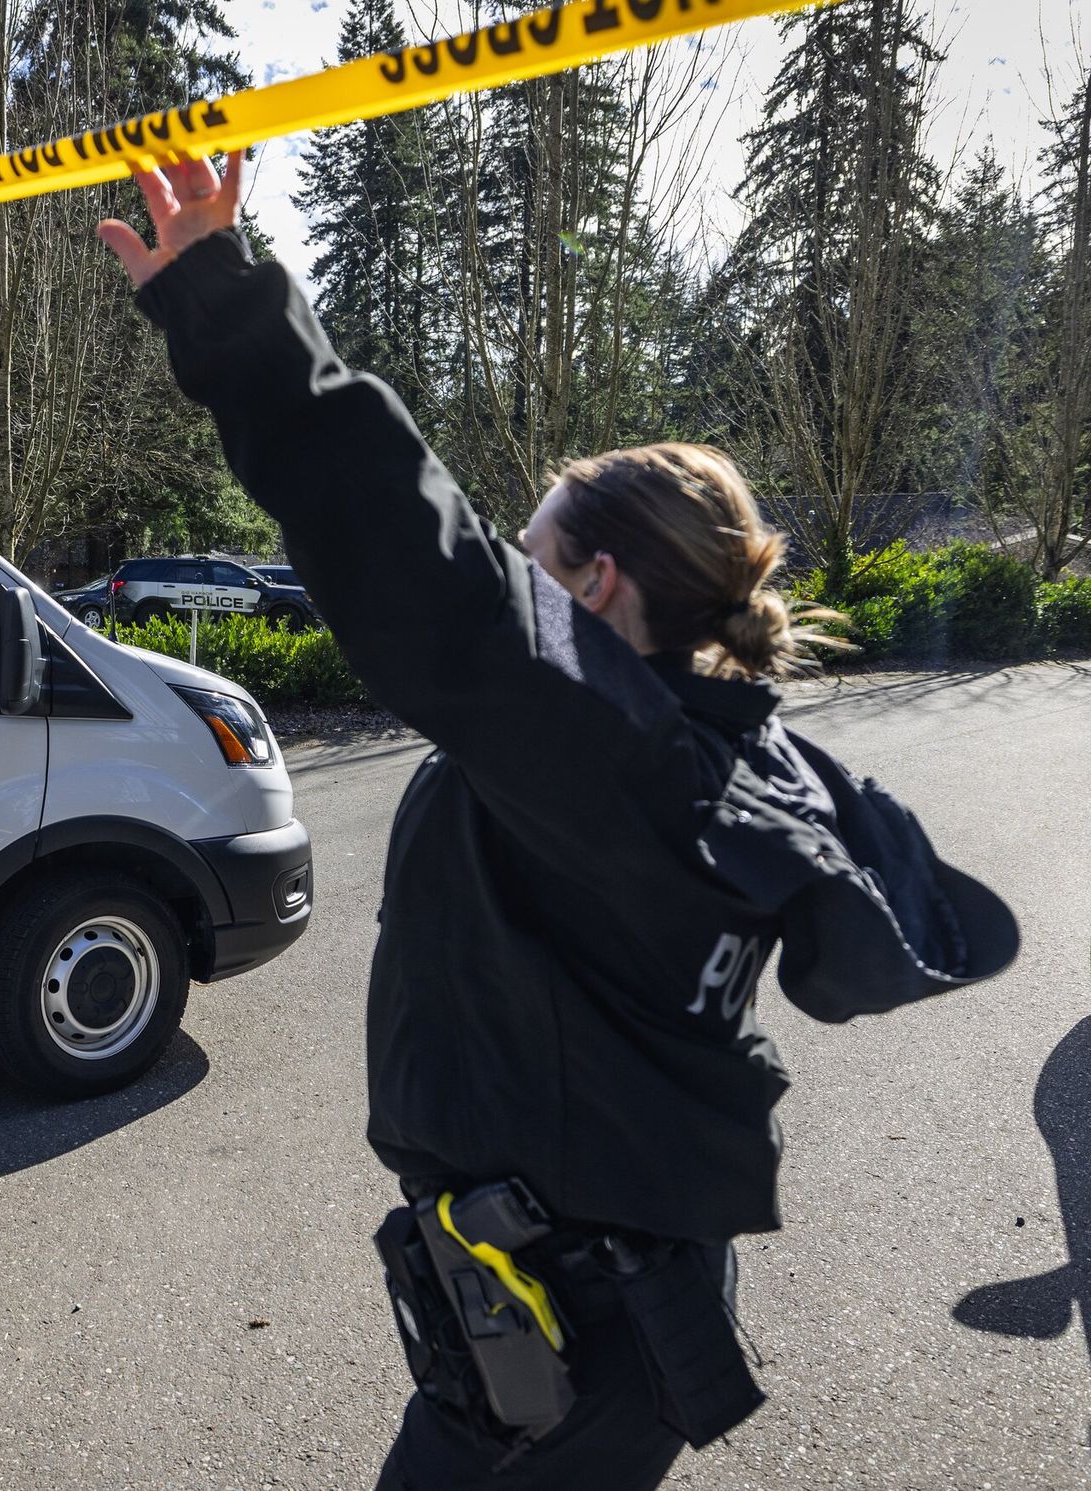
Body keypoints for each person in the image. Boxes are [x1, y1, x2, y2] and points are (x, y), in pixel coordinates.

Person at [98, 158, 1018, 1489]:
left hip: (572, 1339)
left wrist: (229, 306)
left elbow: (430, 581)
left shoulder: (620, 755)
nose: (513, 577)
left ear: (593, 586)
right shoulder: (699, 747)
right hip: (579, 1310)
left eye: (531, 558)